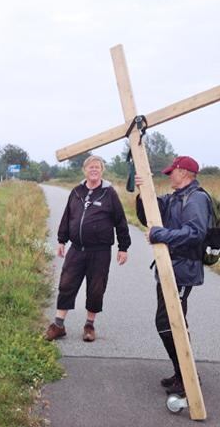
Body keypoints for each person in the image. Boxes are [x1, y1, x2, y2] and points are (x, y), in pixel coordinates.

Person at [134, 156, 211, 396]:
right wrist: (142, 192)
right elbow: (149, 215)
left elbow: (195, 233)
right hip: (169, 268)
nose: (169, 176)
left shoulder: (196, 198)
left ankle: (187, 377)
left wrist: (161, 235)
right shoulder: (174, 197)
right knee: (173, 322)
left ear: (185, 173)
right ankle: (182, 373)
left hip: (183, 269)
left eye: (172, 172)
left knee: (168, 322)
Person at [46, 156, 131, 342]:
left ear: (102, 171)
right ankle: (58, 325)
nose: (94, 170)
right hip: (76, 249)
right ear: (84, 170)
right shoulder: (76, 192)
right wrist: (61, 240)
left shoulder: (109, 194)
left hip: (99, 251)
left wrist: (123, 247)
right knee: (67, 284)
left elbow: (120, 222)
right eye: (91, 167)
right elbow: (67, 217)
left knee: (96, 288)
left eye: (97, 167)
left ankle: (89, 326)